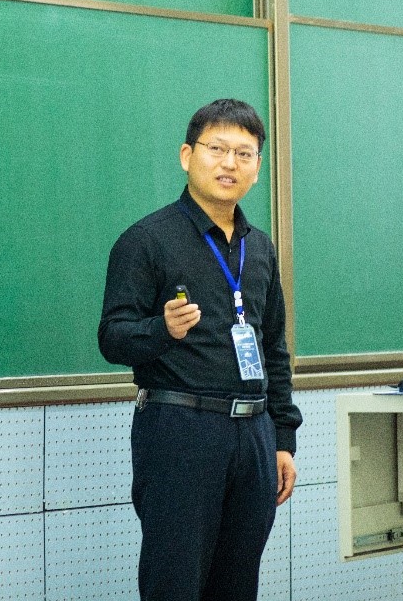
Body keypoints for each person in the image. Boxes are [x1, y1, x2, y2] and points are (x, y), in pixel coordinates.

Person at [99, 98, 301, 601]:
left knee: (238, 584)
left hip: (254, 433)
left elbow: (273, 348)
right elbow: (112, 337)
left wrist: (282, 439)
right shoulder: (146, 240)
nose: (230, 163)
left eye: (244, 153)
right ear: (187, 156)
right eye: (217, 149)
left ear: (257, 166)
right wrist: (162, 329)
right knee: (176, 582)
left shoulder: (260, 247)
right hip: (181, 430)